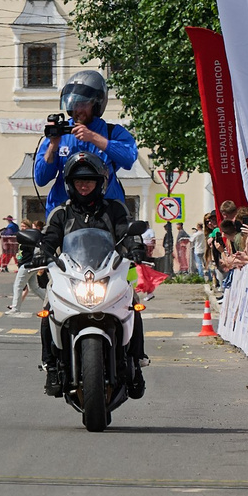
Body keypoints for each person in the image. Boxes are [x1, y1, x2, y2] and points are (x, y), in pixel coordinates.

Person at [24, 150, 147, 396]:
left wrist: (135, 247)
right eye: (79, 181)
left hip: (108, 272)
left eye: (89, 180)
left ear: (100, 183)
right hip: (71, 274)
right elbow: (49, 239)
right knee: (48, 309)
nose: (84, 185)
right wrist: (40, 253)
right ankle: (51, 366)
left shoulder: (114, 209)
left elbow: (127, 232)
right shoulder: (61, 213)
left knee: (132, 304)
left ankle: (136, 362)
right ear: (70, 184)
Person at [32, 68, 140, 210]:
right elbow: (41, 179)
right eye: (74, 104)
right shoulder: (61, 134)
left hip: (105, 211)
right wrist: (53, 146)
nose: (78, 110)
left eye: (83, 104)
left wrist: (93, 137)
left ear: (96, 104)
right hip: (65, 212)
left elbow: (129, 158)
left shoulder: (112, 132)